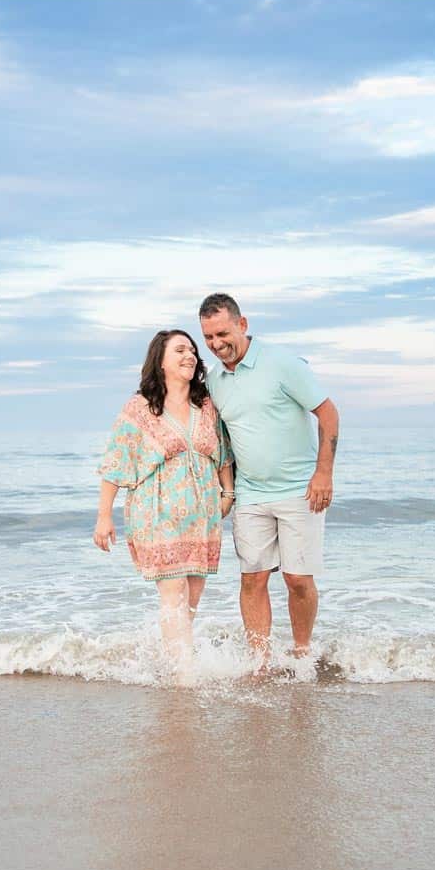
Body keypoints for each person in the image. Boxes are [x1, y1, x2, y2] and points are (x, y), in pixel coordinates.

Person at [198, 293, 339, 676]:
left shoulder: (283, 363)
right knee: (253, 578)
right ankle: (260, 663)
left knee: (297, 579)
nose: (215, 344)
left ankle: (301, 651)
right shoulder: (214, 380)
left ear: (243, 325)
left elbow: (328, 413)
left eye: (222, 333)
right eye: (208, 337)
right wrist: (225, 489)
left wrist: (323, 472)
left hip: (299, 490)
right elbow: (219, 439)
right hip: (250, 494)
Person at [94, 330, 235, 684]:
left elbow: (222, 453)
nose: (189, 355)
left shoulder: (205, 406)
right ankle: (184, 677)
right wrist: (103, 516)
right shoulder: (140, 408)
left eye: (192, 350)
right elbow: (116, 461)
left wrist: (228, 493)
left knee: (192, 596)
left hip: (202, 514)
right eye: (180, 350)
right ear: (160, 360)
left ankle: (173, 661)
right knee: (172, 591)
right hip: (156, 512)